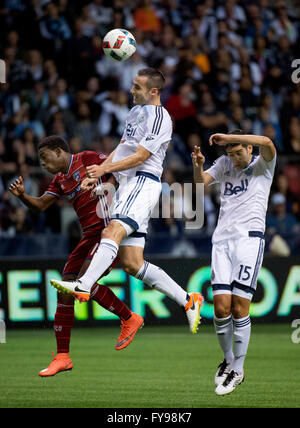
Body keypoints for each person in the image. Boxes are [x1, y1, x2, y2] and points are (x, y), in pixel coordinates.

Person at [50, 68, 204, 334]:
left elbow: (142, 156)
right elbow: (122, 148)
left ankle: (84, 284)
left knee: (111, 231)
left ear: (153, 91)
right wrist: (100, 173)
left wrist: (102, 170)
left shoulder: (160, 118)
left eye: (136, 87)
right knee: (132, 262)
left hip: (142, 181)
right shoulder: (135, 113)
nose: (131, 91)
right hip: (127, 185)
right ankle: (188, 300)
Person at [9, 135, 143, 377]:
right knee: (66, 289)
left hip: (107, 233)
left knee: (81, 283)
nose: (42, 163)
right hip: (87, 237)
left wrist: (107, 184)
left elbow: (119, 167)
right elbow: (40, 205)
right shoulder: (60, 180)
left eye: (44, 157)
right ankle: (62, 356)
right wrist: (21, 197)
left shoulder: (88, 158)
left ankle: (129, 317)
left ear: (59, 151)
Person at [191, 129, 276, 395]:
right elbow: (199, 184)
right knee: (220, 308)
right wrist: (198, 167)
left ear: (249, 149)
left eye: (238, 152)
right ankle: (228, 359)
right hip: (222, 242)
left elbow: (267, 142)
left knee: (240, 309)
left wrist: (228, 137)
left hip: (249, 241)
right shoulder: (225, 163)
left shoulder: (263, 165)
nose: (235, 158)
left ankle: (238, 370)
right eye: (230, 153)